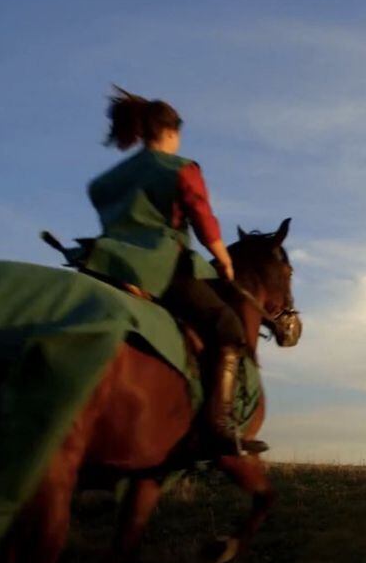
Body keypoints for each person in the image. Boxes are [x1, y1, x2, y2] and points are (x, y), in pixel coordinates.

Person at [81, 86, 265, 454]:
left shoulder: (110, 179)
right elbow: (201, 215)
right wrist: (223, 258)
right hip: (161, 271)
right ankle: (218, 425)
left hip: (104, 267)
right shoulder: (181, 169)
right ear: (170, 132)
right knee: (227, 327)